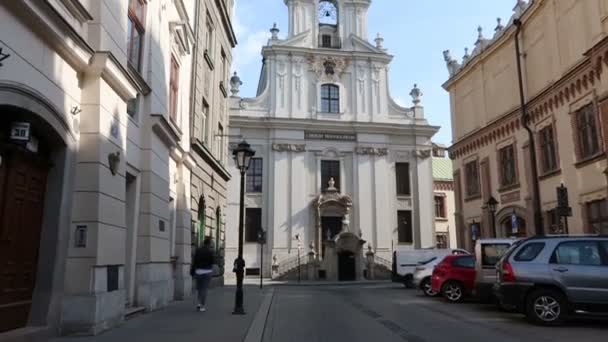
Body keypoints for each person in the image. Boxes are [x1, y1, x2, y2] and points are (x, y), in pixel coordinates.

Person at [190, 237, 215, 312]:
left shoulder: (198, 250)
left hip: (199, 271)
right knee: (204, 289)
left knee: (199, 288)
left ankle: (198, 303)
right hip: (207, 271)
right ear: (209, 244)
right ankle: (202, 306)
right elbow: (212, 262)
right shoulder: (210, 252)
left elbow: (195, 261)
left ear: (203, 243)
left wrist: (193, 270)